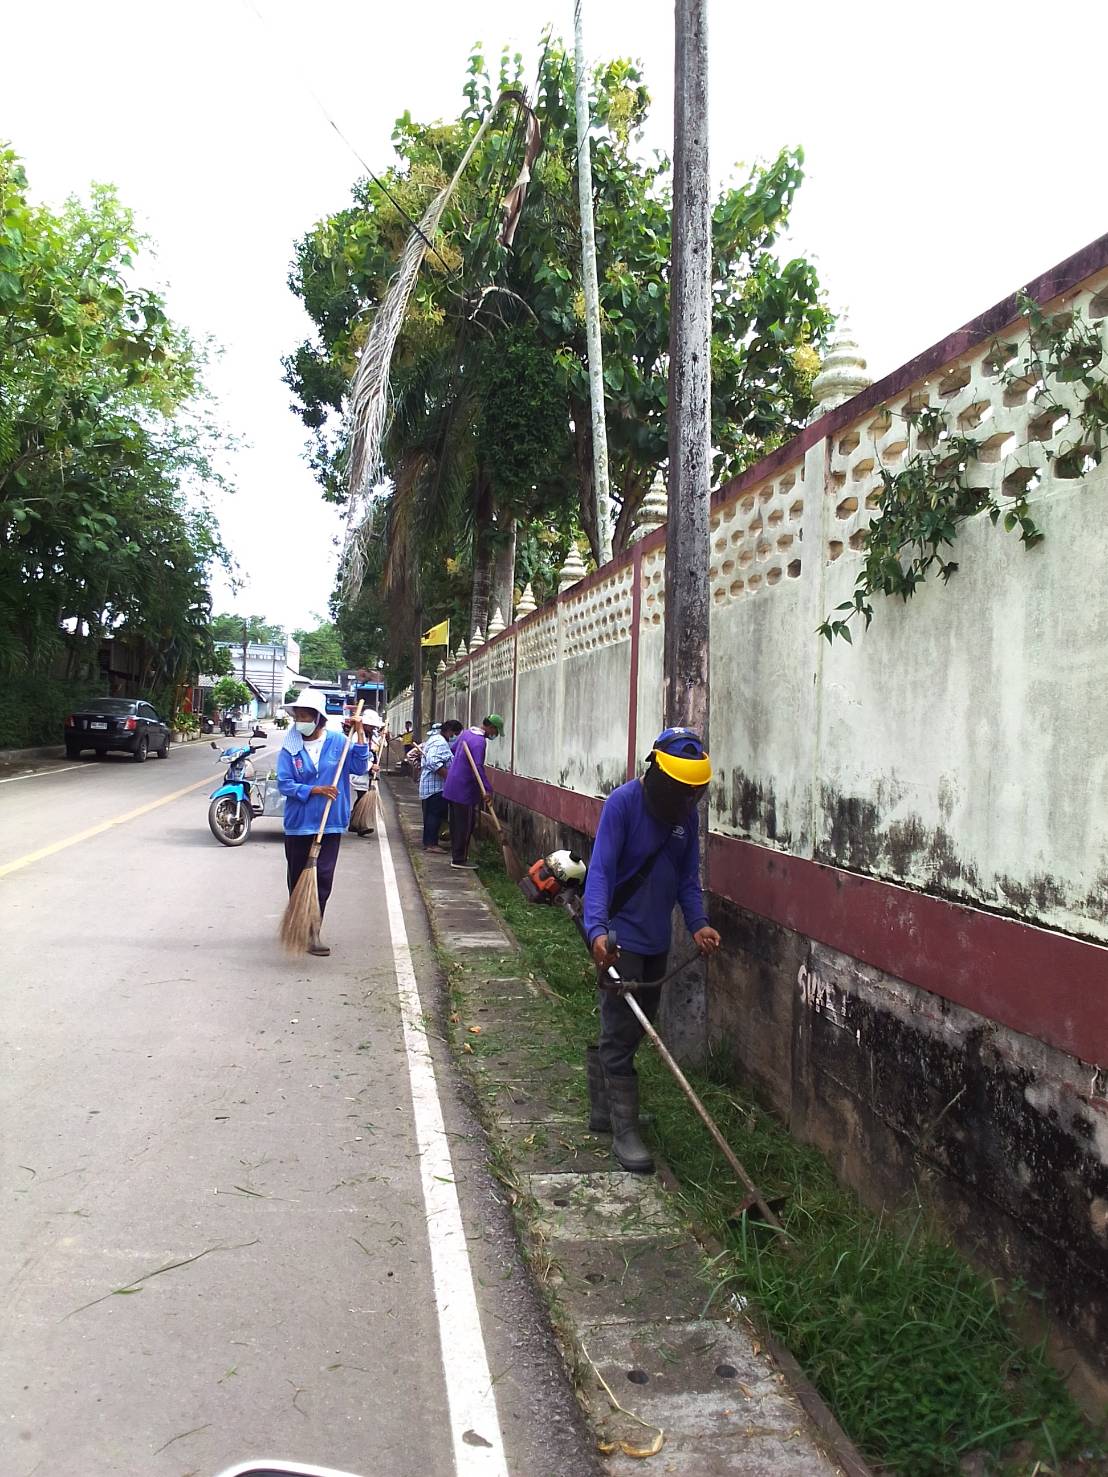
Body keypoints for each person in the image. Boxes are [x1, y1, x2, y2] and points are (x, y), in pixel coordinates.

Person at [582, 727, 722, 1174]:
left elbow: (686, 878)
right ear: (657, 770)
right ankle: (624, 1131)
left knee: (636, 1028)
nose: (686, 800)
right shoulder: (623, 803)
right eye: (680, 790)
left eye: (693, 793)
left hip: (658, 940)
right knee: (622, 1028)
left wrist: (698, 924)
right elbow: (600, 871)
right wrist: (596, 931)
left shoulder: (686, 816)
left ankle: (606, 1109)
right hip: (621, 941)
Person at [277, 691, 369, 957]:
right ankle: (299, 921)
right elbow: (285, 783)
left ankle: (314, 930)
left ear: (318, 719)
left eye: (305, 716)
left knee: (323, 877)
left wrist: (360, 733)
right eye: (297, 716)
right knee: (298, 877)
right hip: (299, 823)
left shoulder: (339, 741)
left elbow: (360, 767)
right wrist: (315, 790)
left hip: (330, 822)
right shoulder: (290, 747)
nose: (300, 721)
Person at [441, 714, 503, 869]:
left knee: (456, 823)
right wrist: (487, 789)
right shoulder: (479, 742)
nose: (494, 735)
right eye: (495, 731)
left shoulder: (467, 733)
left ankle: (456, 855)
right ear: (491, 727)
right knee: (465, 825)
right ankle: (459, 859)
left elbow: (453, 749)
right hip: (464, 789)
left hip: (452, 785)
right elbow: (478, 768)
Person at [418, 722, 455, 852]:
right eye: (454, 733)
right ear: (449, 731)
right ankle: (431, 844)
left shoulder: (434, 740)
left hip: (431, 786)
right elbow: (433, 762)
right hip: (436, 786)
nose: (454, 737)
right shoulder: (440, 742)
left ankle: (429, 842)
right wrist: (449, 778)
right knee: (434, 815)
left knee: (431, 815)